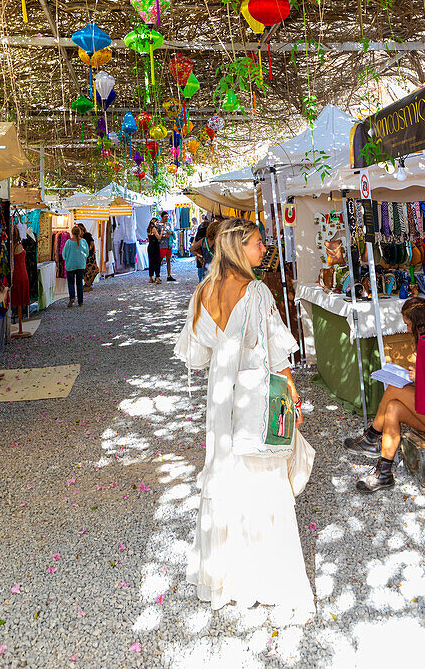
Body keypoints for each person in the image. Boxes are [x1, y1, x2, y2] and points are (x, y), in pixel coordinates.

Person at [174, 219, 315, 620]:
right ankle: (266, 576)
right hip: (254, 394)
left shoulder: (203, 292)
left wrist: (225, 348)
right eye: (257, 243)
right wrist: (291, 394)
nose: (263, 248)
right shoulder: (256, 291)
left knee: (224, 474)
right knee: (262, 476)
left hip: (221, 398)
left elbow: (197, 356)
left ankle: (226, 577)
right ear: (239, 247)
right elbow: (277, 354)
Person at [345, 297, 425, 493]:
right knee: (392, 407)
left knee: (393, 390)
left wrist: (419, 378)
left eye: (409, 324)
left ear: (418, 321)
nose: (408, 330)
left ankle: (372, 436)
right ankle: (384, 472)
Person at [62, 225, 89, 307]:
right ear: (80, 232)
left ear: (72, 233)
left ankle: (72, 298)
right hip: (80, 265)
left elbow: (64, 254)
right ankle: (80, 301)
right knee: (79, 283)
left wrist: (68, 259)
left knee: (71, 282)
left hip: (70, 265)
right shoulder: (83, 241)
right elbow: (87, 253)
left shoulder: (68, 242)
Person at [77, 223, 99, 290]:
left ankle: (88, 284)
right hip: (84, 256)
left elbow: (92, 243)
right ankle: (87, 284)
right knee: (86, 271)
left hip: (90, 256)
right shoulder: (79, 237)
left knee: (90, 270)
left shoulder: (87, 235)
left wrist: (89, 249)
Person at [190, 215, 209, 282]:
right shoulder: (210, 236)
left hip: (200, 255)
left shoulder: (199, 231)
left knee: (201, 274)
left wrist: (198, 255)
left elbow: (193, 248)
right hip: (208, 258)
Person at [158, 211, 176, 282]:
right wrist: (164, 235)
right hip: (162, 244)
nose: (167, 218)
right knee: (161, 260)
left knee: (168, 260)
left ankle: (169, 275)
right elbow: (158, 235)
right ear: (162, 217)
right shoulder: (159, 225)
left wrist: (171, 233)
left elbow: (171, 232)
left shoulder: (169, 224)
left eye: (167, 217)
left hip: (169, 244)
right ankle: (157, 275)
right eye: (165, 217)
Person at [147, 217, 162, 283]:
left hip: (150, 246)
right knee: (157, 261)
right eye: (157, 222)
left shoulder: (148, 229)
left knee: (151, 261)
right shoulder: (154, 229)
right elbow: (158, 237)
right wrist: (161, 232)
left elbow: (148, 239)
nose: (158, 224)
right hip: (155, 246)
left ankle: (151, 277)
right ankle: (157, 277)